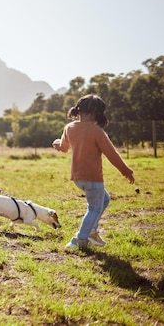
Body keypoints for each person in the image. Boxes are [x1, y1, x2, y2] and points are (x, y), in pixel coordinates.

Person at [52, 94, 135, 250]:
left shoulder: (69, 128)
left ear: (80, 111)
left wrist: (57, 142)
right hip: (93, 179)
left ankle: (91, 230)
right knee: (94, 208)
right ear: (97, 114)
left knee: (104, 199)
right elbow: (112, 154)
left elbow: (63, 147)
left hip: (78, 178)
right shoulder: (97, 132)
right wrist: (126, 171)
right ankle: (80, 239)